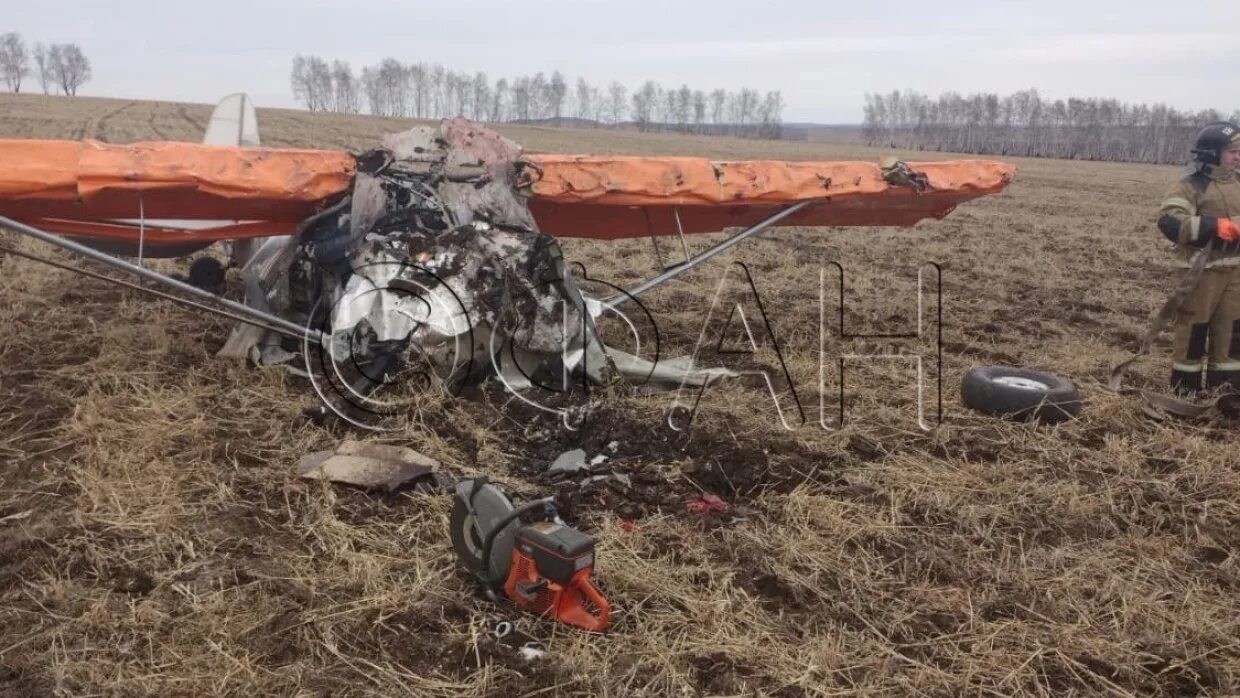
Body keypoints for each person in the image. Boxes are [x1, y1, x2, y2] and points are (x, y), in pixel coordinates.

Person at [1157, 121, 1240, 394]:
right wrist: (1215, 227)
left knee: (1232, 335)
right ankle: (1185, 392)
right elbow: (1170, 222)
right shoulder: (1189, 186)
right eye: (1232, 151)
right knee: (1194, 333)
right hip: (1200, 273)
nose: (1237, 156)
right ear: (1211, 153)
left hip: (1235, 273)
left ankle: (1226, 394)